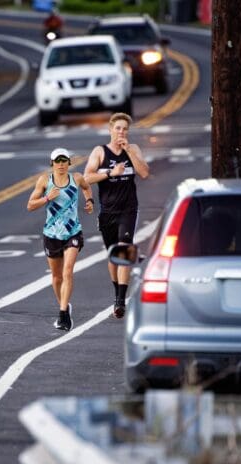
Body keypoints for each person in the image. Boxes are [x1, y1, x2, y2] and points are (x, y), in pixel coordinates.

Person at [83, 112, 149, 319]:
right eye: (118, 128)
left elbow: (145, 172)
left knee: (124, 249)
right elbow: (87, 177)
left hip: (128, 209)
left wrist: (129, 151)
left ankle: (120, 301)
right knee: (113, 256)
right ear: (110, 130)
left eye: (125, 129)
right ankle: (117, 292)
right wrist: (110, 173)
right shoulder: (100, 151)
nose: (121, 132)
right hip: (108, 211)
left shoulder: (134, 149)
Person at [27, 148, 94, 331]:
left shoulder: (77, 178)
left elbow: (87, 187)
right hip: (51, 234)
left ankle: (63, 314)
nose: (62, 164)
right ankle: (64, 305)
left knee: (67, 271)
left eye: (65, 161)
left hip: (72, 232)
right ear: (52, 163)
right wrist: (47, 198)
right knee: (56, 278)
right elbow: (30, 205)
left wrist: (90, 202)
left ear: (69, 163)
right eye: (58, 161)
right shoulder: (45, 181)